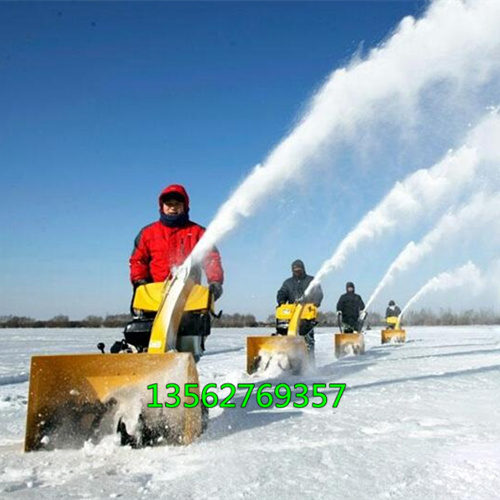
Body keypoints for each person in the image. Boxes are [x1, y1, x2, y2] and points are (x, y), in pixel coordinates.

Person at [130, 184, 224, 298]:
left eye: (177, 204)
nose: (173, 208)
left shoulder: (199, 233)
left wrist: (215, 282)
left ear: (185, 206)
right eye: (169, 204)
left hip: (189, 297)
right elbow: (138, 260)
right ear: (162, 206)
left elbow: (211, 259)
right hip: (155, 295)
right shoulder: (147, 233)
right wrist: (139, 281)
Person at [276, 259, 323, 354]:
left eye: (299, 268)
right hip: (291, 314)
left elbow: (318, 292)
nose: (297, 270)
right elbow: (282, 292)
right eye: (295, 269)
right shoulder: (288, 283)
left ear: (303, 268)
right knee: (286, 335)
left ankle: (309, 363)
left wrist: (316, 301)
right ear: (292, 270)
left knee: (307, 339)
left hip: (307, 314)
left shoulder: (311, 280)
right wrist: (281, 301)